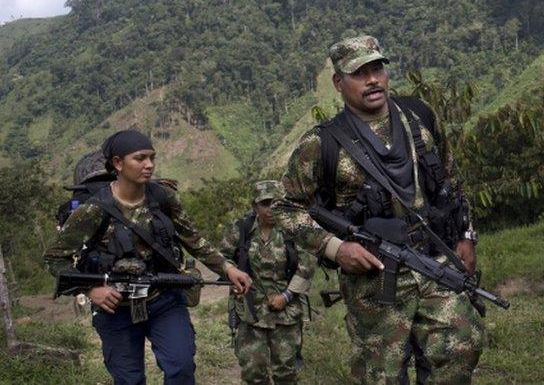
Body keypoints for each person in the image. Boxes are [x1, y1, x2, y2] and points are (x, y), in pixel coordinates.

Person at [273, 35, 484, 384]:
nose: (372, 80)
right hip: (374, 279)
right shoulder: (321, 143)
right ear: (339, 83)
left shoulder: (420, 117)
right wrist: (336, 248)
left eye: (377, 69)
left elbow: (451, 178)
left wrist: (467, 234)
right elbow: (285, 206)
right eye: (359, 73)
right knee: (381, 376)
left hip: (434, 259)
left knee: (461, 349)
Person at [44, 129, 252, 385]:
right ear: (118, 164)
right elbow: (54, 258)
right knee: (129, 380)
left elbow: (194, 240)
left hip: (163, 298)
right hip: (115, 309)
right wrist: (91, 289)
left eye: (152, 157)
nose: (149, 164)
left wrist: (228, 269)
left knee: (181, 367)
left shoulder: (163, 198)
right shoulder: (93, 211)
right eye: (140, 158)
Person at [220, 180, 315, 385]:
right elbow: (222, 258)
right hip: (249, 312)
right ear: (255, 205)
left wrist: (286, 296)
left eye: (276, 202)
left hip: (285, 314)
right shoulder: (241, 229)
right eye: (265, 203)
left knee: (285, 373)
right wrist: (232, 272)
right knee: (253, 372)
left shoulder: (293, 231)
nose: (271, 209)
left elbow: (307, 266)